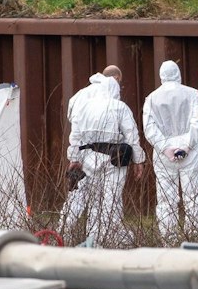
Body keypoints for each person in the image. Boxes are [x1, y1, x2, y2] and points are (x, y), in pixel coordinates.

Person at [60, 68, 141, 246]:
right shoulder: (119, 107)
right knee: (110, 200)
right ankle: (104, 240)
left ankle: (73, 237)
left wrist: (74, 158)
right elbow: (131, 134)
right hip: (114, 159)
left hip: (87, 157)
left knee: (85, 199)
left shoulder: (82, 102)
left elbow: (75, 133)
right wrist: (138, 160)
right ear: (115, 85)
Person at [141, 60, 198, 243]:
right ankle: (192, 238)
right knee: (192, 194)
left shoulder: (152, 98)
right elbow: (197, 122)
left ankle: (169, 239)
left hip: (164, 153)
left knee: (166, 197)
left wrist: (164, 147)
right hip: (189, 150)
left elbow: (149, 128)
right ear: (178, 73)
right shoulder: (192, 94)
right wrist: (186, 145)